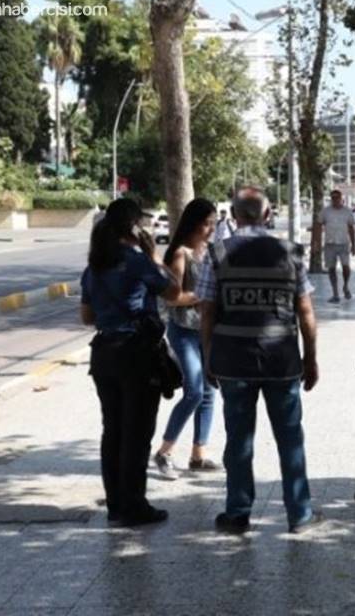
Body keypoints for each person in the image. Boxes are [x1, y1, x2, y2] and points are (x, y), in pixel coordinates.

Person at [199, 186, 325, 535]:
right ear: (268, 215)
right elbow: (305, 311)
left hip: (233, 361)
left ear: (233, 215)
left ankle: (237, 513)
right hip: (281, 361)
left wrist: (208, 356)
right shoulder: (290, 252)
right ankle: (299, 514)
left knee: (239, 440)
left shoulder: (217, 253)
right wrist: (310, 357)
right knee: (290, 438)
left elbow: (207, 311)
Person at [80, 198, 181, 527]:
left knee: (113, 431)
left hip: (104, 354)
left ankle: (116, 505)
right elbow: (174, 292)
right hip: (136, 354)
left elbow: (87, 316)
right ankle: (135, 506)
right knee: (137, 433)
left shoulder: (94, 266)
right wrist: (154, 258)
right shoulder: (138, 262)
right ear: (134, 228)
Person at [153, 198, 222, 480]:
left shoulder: (212, 252)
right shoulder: (181, 254)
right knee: (194, 390)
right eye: (207, 224)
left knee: (209, 391)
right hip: (183, 331)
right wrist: (200, 296)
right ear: (194, 224)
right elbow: (172, 298)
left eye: (214, 224)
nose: (211, 229)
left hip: (207, 330)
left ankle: (198, 455)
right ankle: (164, 452)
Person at [317, 190, 355, 303]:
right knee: (331, 268)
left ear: (341, 198)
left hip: (344, 243)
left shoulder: (347, 212)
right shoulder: (325, 211)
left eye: (337, 197)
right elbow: (318, 225)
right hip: (330, 244)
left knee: (346, 267)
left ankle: (346, 286)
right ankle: (335, 293)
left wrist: (354, 245)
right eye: (333, 198)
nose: (335, 200)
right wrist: (317, 243)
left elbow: (351, 228)